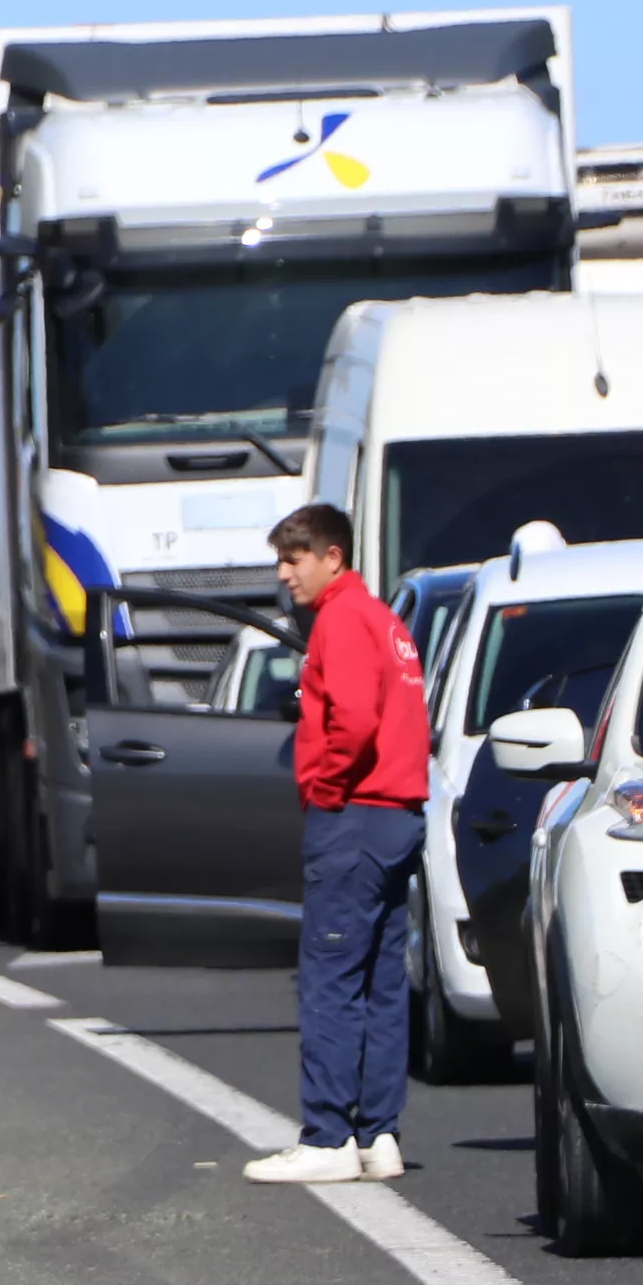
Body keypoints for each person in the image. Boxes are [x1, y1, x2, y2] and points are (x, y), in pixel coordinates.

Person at [246, 502, 428, 1186]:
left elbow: (351, 718)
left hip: (355, 812)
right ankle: (379, 1132)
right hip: (398, 812)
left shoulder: (343, 620)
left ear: (334, 558)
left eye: (295, 558)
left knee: (329, 980)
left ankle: (327, 1136)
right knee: (382, 984)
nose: (284, 573)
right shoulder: (386, 621)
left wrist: (324, 785)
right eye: (282, 559)